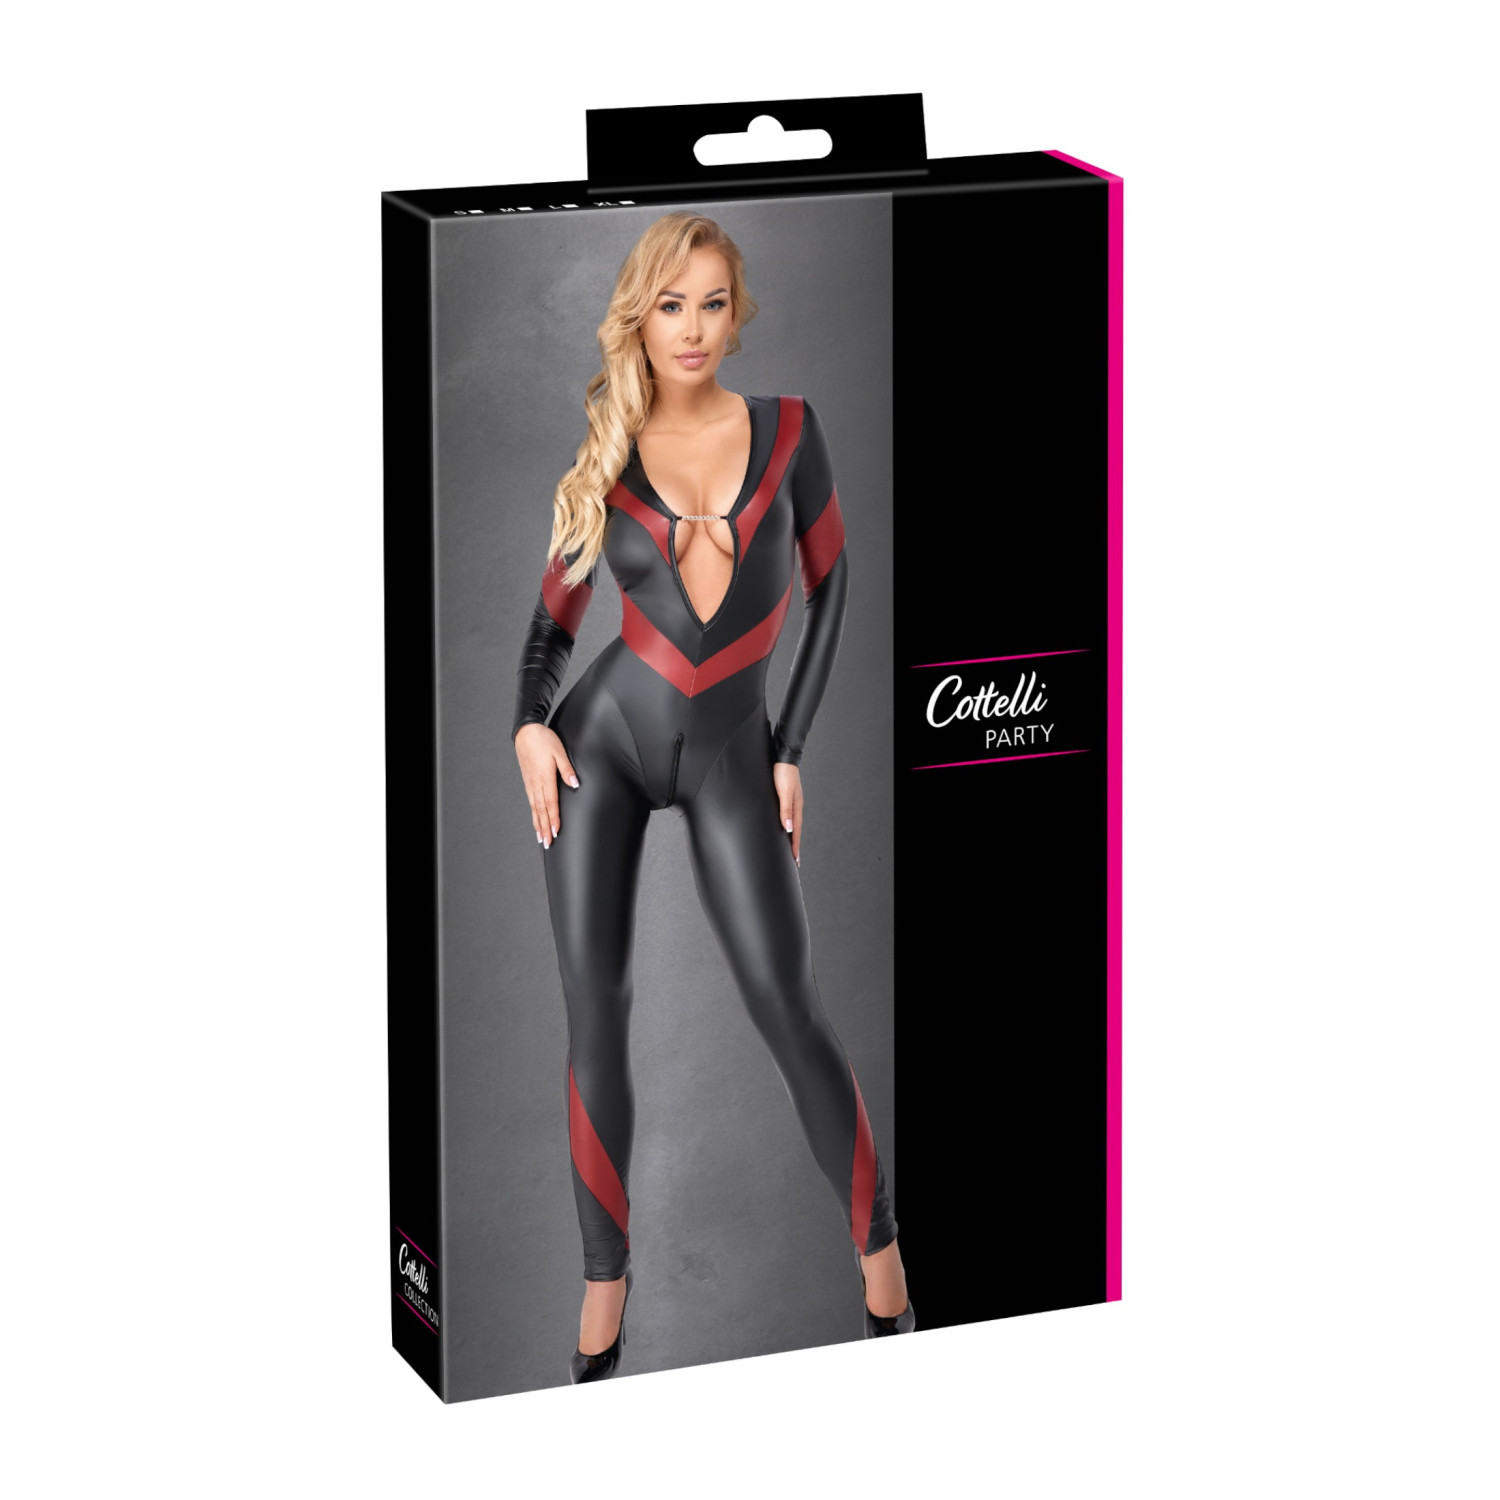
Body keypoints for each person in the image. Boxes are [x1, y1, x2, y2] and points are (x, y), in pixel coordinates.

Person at [511, 210, 913, 1385]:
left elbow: (834, 589)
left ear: (740, 314)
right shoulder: (607, 453)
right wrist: (528, 726)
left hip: (737, 747)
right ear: (640, 317)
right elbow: (549, 634)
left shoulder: (791, 432)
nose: (692, 328)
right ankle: (605, 1279)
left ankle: (884, 1258)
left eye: (713, 303)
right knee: (596, 1011)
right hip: (603, 746)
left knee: (788, 1003)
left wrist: (790, 747)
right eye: (670, 305)